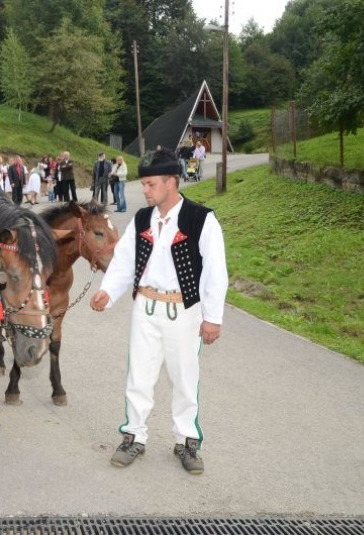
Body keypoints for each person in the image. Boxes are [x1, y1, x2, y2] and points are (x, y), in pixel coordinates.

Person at [89, 147, 228, 475]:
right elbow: (124, 261)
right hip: (145, 309)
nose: (145, 190)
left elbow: (216, 271)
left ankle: (187, 441)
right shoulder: (141, 219)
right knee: (139, 376)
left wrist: (213, 317)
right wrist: (107, 293)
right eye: (144, 184)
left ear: (171, 182)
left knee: (184, 378)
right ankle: (134, 436)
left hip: (184, 312)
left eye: (151, 184)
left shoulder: (201, 219)